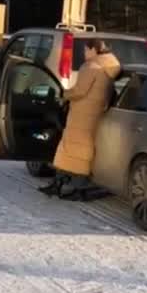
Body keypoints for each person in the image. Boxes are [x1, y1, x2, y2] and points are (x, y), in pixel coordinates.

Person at [40, 38, 121, 198]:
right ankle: (66, 182)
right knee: (80, 146)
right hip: (94, 112)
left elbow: (79, 91)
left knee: (71, 145)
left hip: (81, 112)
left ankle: (67, 183)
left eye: (85, 50)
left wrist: (63, 94)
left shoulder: (91, 67)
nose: (84, 53)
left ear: (93, 50)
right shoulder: (110, 68)